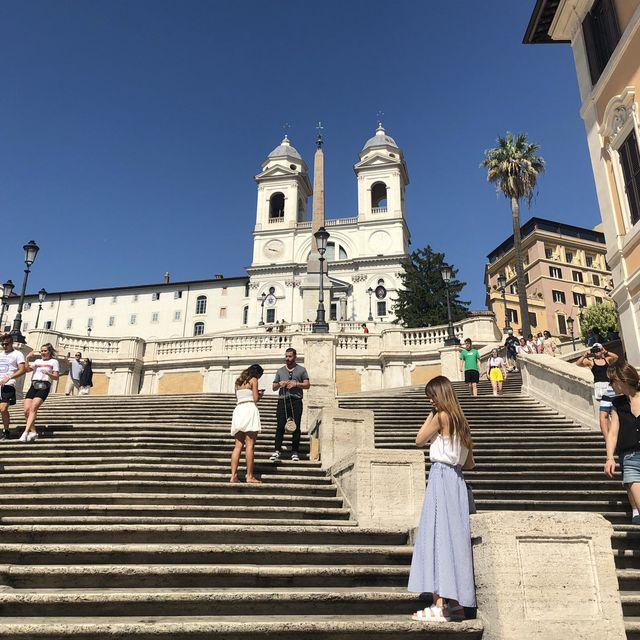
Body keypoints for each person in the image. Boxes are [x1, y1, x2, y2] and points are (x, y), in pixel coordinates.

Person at [408, 375, 476, 622]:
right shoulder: (462, 422)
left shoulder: (440, 416)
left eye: (431, 397)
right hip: (457, 481)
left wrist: (431, 414)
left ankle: (438, 605)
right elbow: (470, 463)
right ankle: (456, 604)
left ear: (439, 395)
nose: (430, 401)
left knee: (436, 537)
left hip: (440, 477)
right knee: (455, 540)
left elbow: (418, 440)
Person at [604, 363, 640, 525]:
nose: (610, 385)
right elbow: (613, 433)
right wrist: (610, 458)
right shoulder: (617, 404)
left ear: (621, 379)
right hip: (630, 459)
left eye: (612, 381)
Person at [270, 348, 310, 462]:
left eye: (290, 356)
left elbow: (307, 385)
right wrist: (279, 384)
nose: (287, 358)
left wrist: (296, 384)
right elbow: (273, 387)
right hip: (283, 400)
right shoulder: (280, 371)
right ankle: (277, 450)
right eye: (286, 356)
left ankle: (295, 451)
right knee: (280, 426)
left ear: (295, 356)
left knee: (296, 426)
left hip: (296, 400)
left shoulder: (302, 370)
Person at [230, 364, 264, 484]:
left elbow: (237, 397)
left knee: (238, 445)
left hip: (239, 409)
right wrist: (260, 395)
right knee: (249, 445)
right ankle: (249, 476)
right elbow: (255, 398)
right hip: (249, 409)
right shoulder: (253, 380)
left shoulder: (238, 381)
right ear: (257, 374)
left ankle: (233, 476)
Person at [20, 343, 60, 443]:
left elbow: (56, 377)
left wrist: (48, 373)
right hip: (34, 385)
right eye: (42, 351)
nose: (43, 352)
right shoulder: (37, 361)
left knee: (33, 407)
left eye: (45, 351)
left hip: (44, 386)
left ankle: (25, 432)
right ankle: (33, 432)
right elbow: (27, 370)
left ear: (50, 352)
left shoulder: (54, 362)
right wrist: (27, 359)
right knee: (26, 411)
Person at [0, 334, 26, 440]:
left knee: (3, 408)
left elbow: (22, 369)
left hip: (8, 384)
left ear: (11, 343)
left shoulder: (18, 354)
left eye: (6, 344)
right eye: (2, 344)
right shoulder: (1, 354)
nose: (4, 346)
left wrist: (9, 377)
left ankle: (6, 430)